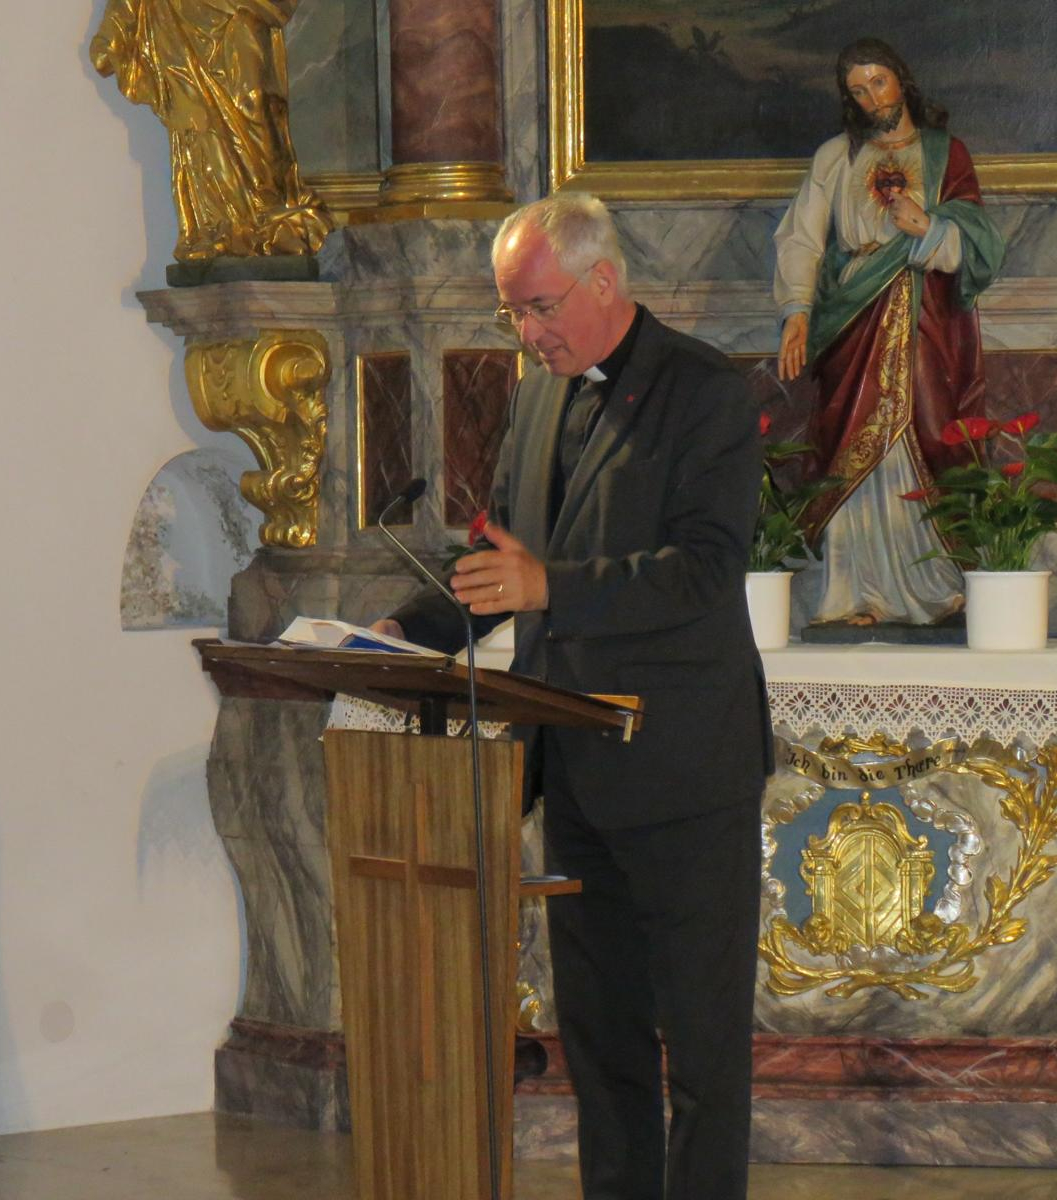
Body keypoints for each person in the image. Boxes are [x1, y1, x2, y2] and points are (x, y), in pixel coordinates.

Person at [374, 194, 772, 1200]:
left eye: (540, 307)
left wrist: (549, 586)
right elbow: (503, 557)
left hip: (683, 770)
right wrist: (398, 636)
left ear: (603, 280)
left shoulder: (705, 392)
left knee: (704, 1051)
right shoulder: (539, 398)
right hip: (575, 765)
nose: (527, 332)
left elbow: (704, 571)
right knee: (603, 1049)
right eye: (512, 311)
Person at [774, 38, 1005, 626]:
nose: (872, 97)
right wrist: (797, 310)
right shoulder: (836, 156)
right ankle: (851, 590)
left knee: (930, 427)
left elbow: (980, 239)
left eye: (878, 82)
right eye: (858, 90)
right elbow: (802, 236)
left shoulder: (945, 152)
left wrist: (928, 228)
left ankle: (936, 586)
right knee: (847, 432)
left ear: (901, 80)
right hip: (852, 313)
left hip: (925, 312)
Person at [91, 0, 332, 262]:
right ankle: (225, 224)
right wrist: (113, 31)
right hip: (183, 18)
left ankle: (268, 205)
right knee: (202, 119)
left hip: (243, 9)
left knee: (254, 99)